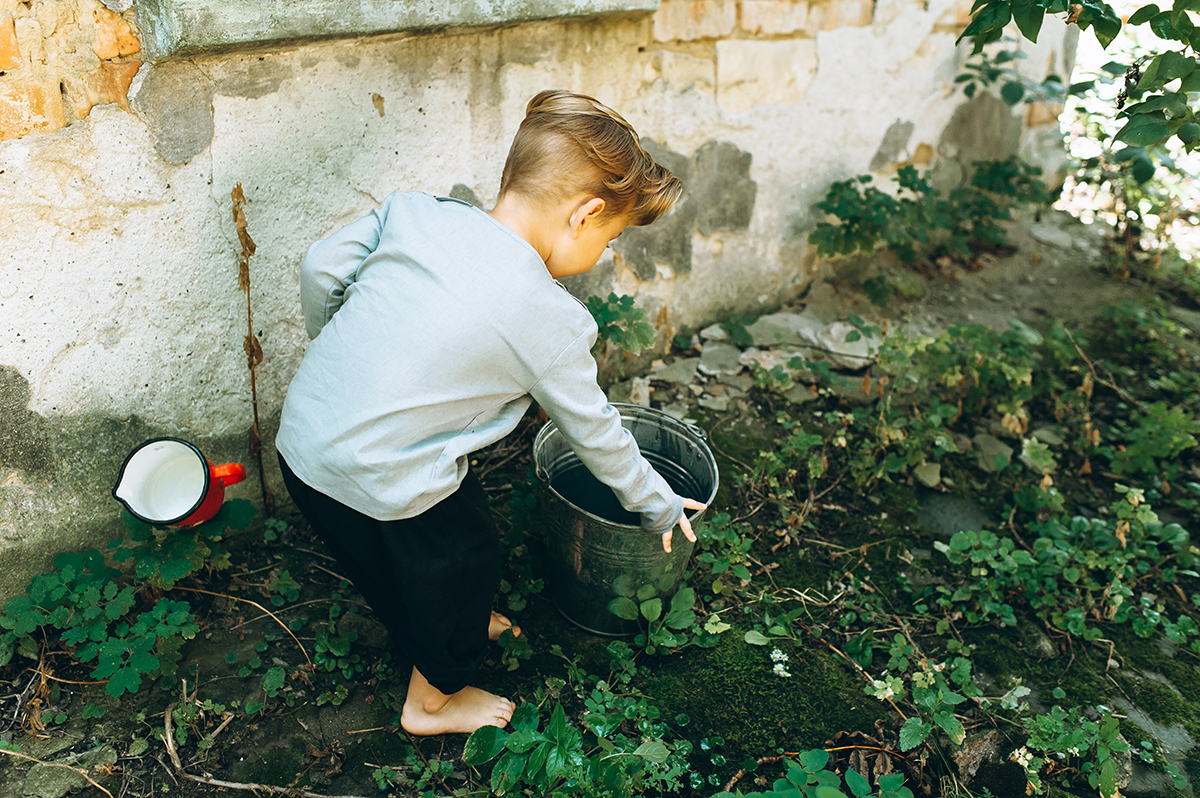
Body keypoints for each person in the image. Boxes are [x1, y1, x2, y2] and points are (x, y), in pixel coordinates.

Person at [275, 89, 705, 736]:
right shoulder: (551, 320)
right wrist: (657, 502)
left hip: (303, 443)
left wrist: (338, 339)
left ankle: (449, 616)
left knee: (413, 541)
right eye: (613, 238)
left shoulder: (416, 213)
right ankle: (432, 702)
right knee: (465, 558)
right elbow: (595, 431)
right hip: (385, 475)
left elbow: (319, 266)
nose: (607, 254)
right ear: (584, 216)